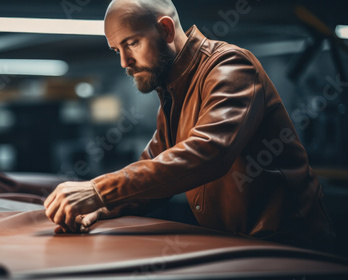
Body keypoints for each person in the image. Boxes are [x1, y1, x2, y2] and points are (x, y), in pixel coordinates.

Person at [44, 0, 335, 248]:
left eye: (131, 43)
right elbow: (156, 164)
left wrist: (98, 189)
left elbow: (209, 152)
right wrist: (103, 206)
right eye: (115, 49)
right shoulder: (173, 89)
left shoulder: (230, 67)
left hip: (288, 246)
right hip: (235, 244)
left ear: (166, 29)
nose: (124, 62)